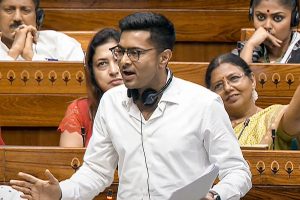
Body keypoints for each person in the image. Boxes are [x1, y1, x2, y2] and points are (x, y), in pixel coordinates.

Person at [10, 12, 251, 200]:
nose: (123, 61)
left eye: (135, 53)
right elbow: (96, 171)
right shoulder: (112, 102)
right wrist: (61, 193)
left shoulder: (203, 104)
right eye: (121, 51)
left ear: (164, 57)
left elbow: (238, 172)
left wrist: (215, 195)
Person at [205, 53, 300, 149]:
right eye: (218, 86)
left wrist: (272, 128)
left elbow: (295, 114)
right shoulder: (208, 129)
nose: (227, 88)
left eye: (234, 78)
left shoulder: (273, 116)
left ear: (252, 80)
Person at [58, 28, 123, 147]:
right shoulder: (80, 110)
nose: (113, 71)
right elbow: (69, 163)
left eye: (118, 60)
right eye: (102, 64)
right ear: (92, 73)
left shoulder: (150, 106)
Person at [0, 0, 84, 61]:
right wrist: (14, 52)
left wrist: (31, 57)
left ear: (38, 17)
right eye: (9, 10)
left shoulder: (62, 44)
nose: (17, 18)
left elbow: (76, 81)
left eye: (25, 10)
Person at [234, 0, 300, 63]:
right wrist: (249, 45)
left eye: (277, 18)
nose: (267, 26)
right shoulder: (244, 49)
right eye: (261, 17)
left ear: (294, 19)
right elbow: (240, 73)